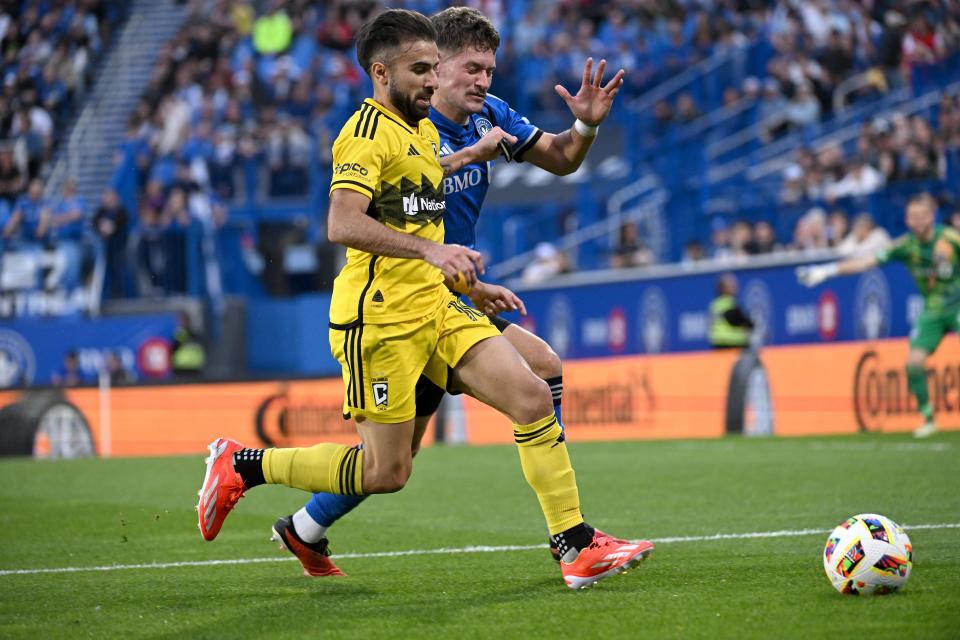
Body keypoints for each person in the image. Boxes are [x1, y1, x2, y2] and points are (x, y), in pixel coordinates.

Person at [196, 9, 651, 591]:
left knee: (534, 389)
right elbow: (341, 223)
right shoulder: (365, 133)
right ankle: (245, 466)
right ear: (386, 73)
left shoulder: (431, 126)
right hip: (382, 315)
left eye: (445, 69)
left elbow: (426, 193)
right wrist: (437, 256)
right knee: (387, 469)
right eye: (435, 69)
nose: (443, 81)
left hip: (440, 303)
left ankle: (575, 544)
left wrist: (466, 274)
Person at [797, 193, 954, 438]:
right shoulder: (905, 245)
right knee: (913, 363)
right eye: (912, 216)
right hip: (932, 310)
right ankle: (929, 418)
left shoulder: (950, 239)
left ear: (932, 216)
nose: (917, 221)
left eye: (922, 216)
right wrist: (827, 271)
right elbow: (865, 263)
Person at [709, 273, 754, 349]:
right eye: (732, 285)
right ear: (723, 288)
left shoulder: (715, 304)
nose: (736, 287)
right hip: (732, 344)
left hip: (717, 344)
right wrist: (750, 326)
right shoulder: (728, 303)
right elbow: (739, 320)